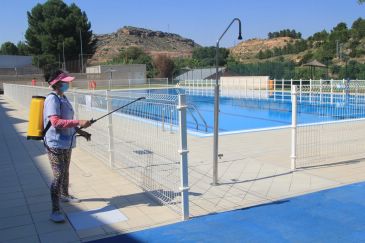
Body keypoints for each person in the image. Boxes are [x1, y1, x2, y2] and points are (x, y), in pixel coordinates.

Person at [43, 69, 91, 223]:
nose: (68, 83)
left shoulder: (63, 97)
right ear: (57, 83)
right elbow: (56, 122)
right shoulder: (52, 99)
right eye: (66, 82)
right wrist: (79, 122)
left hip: (66, 141)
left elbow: (67, 120)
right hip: (55, 143)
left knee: (65, 171)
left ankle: (65, 195)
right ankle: (55, 211)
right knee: (58, 176)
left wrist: (81, 132)